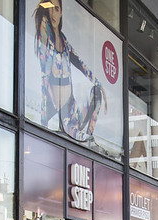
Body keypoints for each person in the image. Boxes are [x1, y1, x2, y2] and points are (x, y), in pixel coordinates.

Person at [33, 0, 108, 142]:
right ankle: (85, 139)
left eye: (56, 9)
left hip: (72, 112)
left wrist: (100, 85)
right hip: (56, 111)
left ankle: (88, 139)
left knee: (96, 93)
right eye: (49, 8)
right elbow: (44, 83)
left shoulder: (64, 42)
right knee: (74, 134)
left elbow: (81, 65)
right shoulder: (46, 38)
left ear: (61, 12)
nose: (52, 13)